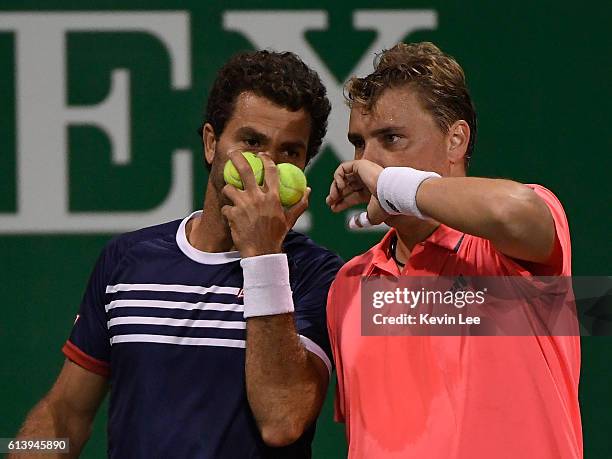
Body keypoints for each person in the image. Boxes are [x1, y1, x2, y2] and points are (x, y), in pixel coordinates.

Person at [13, 50, 342, 458]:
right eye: (252, 142)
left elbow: (282, 420)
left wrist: (261, 256)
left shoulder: (317, 274)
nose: (266, 167)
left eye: (289, 152)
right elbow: (64, 416)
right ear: (210, 144)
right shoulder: (126, 260)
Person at [326, 42, 582, 458]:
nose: (365, 162)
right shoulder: (350, 285)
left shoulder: (505, 249)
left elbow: (508, 210)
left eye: (391, 138)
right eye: (359, 143)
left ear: (455, 140)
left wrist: (393, 187)